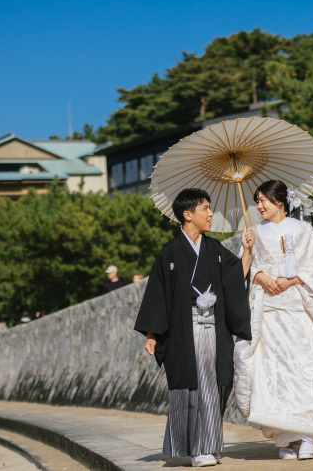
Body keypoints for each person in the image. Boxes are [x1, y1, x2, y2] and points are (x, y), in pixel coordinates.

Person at [233, 180, 313, 460]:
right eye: (257, 201)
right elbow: (244, 269)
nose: (259, 206)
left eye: (264, 200)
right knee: (274, 374)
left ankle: (309, 436)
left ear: (280, 201)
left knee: (305, 370)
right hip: (269, 314)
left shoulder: (303, 229)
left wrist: (292, 281)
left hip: (300, 310)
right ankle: (285, 439)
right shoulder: (254, 233)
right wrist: (259, 270)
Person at [135, 188, 253, 468]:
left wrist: (248, 250)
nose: (211, 214)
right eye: (205, 209)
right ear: (188, 215)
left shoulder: (214, 249)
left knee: (214, 386)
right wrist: (152, 334)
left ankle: (209, 445)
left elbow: (235, 279)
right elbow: (157, 293)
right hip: (183, 334)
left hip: (214, 328)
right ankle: (195, 449)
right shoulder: (170, 253)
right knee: (190, 386)